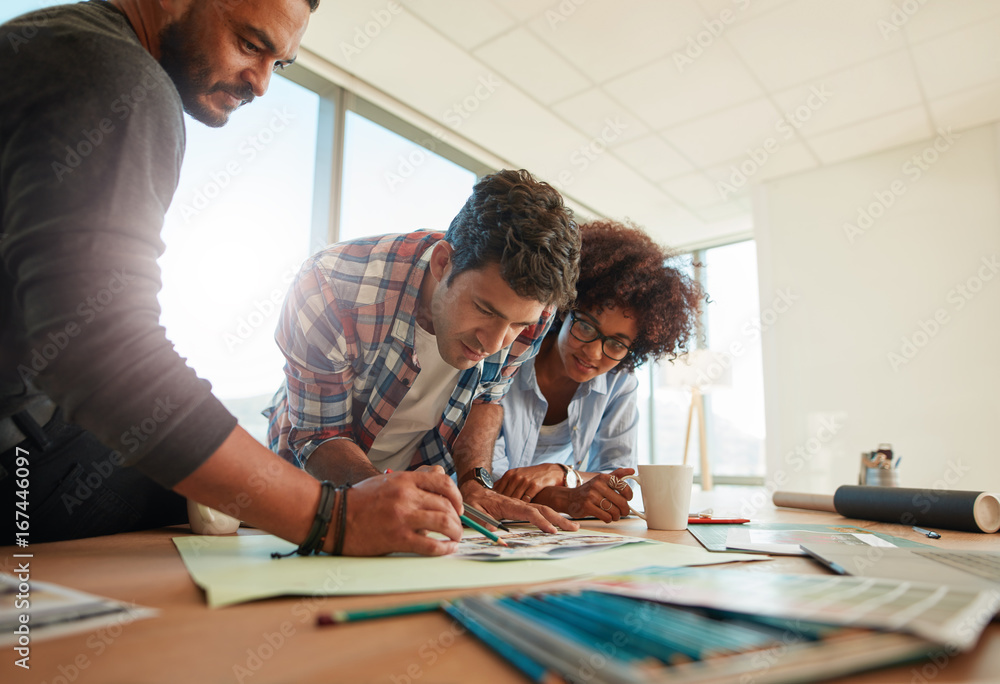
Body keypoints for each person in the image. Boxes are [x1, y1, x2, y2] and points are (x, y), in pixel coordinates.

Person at [0, 0, 464, 557]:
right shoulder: (114, 76)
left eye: (280, 64)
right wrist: (333, 518)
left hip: (36, 425)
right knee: (232, 525)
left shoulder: (52, 38)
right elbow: (101, 351)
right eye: (249, 44)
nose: (262, 84)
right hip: (20, 453)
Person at [265, 169, 582, 532]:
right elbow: (321, 436)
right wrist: (382, 491)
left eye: (516, 325)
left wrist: (475, 481)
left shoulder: (536, 312)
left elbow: (486, 400)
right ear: (442, 262)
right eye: (484, 310)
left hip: (419, 480)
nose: (494, 344)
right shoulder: (329, 287)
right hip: (307, 485)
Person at [490, 219, 704, 522]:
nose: (592, 352)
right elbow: (491, 479)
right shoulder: (509, 357)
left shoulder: (621, 383)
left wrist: (560, 473)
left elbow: (620, 479)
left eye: (616, 344)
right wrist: (568, 495)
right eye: (586, 326)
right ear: (565, 309)